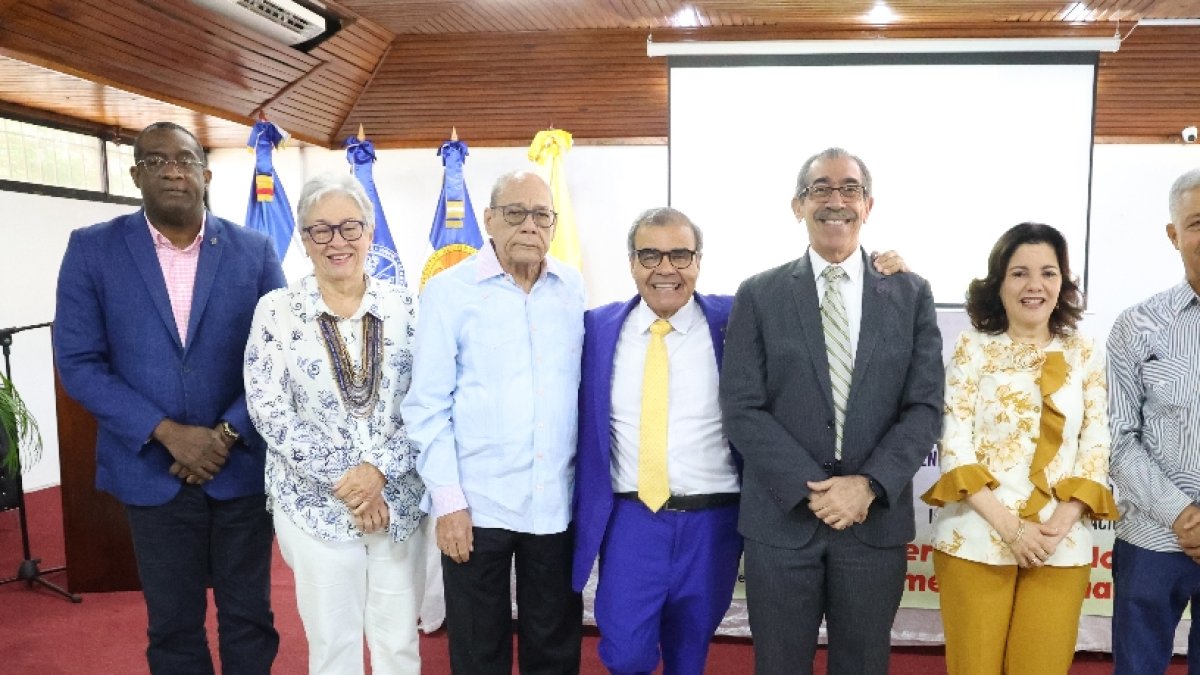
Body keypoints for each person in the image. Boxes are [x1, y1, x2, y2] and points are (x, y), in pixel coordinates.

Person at [574, 207, 911, 675]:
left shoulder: (739, 314)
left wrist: (886, 275)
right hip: (633, 518)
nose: (666, 268)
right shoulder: (596, 328)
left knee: (690, 650)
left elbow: (825, 298)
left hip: (712, 521)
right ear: (630, 261)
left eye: (680, 254)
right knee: (626, 651)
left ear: (699, 260)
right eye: (649, 255)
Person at [53, 121, 284, 674]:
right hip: (151, 470)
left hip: (241, 465)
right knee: (173, 625)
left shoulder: (254, 250)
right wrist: (167, 433)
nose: (173, 170)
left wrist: (226, 433)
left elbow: (280, 356)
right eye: (155, 161)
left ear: (206, 174)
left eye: (185, 159)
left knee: (249, 616)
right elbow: (78, 361)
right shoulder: (92, 250)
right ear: (135, 176)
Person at [718, 147, 943, 675]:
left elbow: (925, 405)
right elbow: (742, 407)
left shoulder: (910, 293)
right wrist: (813, 491)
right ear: (798, 205)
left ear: (868, 205)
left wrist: (865, 485)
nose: (835, 201)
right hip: (781, 521)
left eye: (849, 189)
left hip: (873, 523)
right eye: (821, 189)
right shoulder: (759, 293)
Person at [401, 170, 586, 674]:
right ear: (488, 220)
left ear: (553, 224)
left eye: (541, 215)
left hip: (552, 503)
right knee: (479, 650)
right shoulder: (448, 293)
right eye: (515, 213)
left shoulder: (571, 288)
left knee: (554, 647)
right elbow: (426, 406)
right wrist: (448, 502)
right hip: (475, 506)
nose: (530, 225)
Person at [243, 172, 427, 674]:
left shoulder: (408, 308)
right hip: (314, 506)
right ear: (303, 240)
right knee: (333, 646)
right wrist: (349, 482)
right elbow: (268, 409)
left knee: (398, 643)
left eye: (350, 227)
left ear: (370, 233)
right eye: (320, 230)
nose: (337, 241)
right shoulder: (276, 311)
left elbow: (429, 401)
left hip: (397, 501)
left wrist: (378, 475)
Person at [921, 222, 1118, 674]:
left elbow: (1097, 440)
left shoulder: (1086, 352)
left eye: (1048, 273)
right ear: (999, 283)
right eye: (1019, 273)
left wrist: (1059, 524)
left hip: (1058, 543)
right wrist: (1011, 529)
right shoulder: (972, 347)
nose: (1035, 286)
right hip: (975, 537)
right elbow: (953, 442)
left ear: (1063, 283)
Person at [1108, 167, 1200, 674]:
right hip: (1151, 542)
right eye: (1198, 222)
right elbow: (1117, 438)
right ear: (1174, 234)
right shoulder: (1138, 325)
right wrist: (1182, 515)